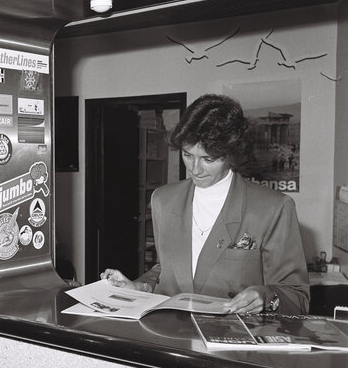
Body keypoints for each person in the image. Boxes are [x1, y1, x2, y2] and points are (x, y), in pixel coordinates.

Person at [101, 94, 309, 315]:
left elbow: (297, 297)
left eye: (208, 159)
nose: (195, 169)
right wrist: (139, 287)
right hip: (170, 335)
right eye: (187, 155)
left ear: (231, 155)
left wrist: (265, 297)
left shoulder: (273, 208)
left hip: (232, 339)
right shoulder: (163, 199)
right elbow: (165, 271)